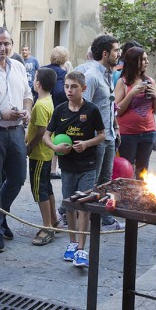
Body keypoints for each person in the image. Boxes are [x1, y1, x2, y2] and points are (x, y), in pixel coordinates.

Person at [43, 71, 105, 268]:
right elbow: (46, 135)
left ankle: (82, 249)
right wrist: (54, 148)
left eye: (74, 87)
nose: (69, 90)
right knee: (70, 205)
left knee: (83, 206)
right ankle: (72, 243)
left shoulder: (92, 110)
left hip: (87, 166)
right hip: (67, 167)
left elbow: (102, 135)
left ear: (83, 89)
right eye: (67, 86)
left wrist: (87, 143)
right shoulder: (60, 110)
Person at [0, 27, 33, 252]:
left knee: (17, 178)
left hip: (16, 131)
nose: (3, 48)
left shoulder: (19, 67)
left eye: (7, 43)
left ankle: (0, 215)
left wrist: (27, 111)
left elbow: (27, 96)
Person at [83, 35, 124, 231]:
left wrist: (115, 127)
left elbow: (109, 105)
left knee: (105, 180)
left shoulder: (109, 74)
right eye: (116, 50)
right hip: (96, 138)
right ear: (105, 53)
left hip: (109, 136)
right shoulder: (92, 76)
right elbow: (83, 108)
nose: (119, 54)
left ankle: (103, 217)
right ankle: (74, 214)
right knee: (92, 179)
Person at [114, 47, 156, 179]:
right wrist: (131, 93)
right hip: (128, 134)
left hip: (149, 132)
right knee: (126, 169)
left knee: (143, 170)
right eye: (143, 59)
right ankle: (126, 196)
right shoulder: (122, 83)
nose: (147, 62)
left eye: (147, 59)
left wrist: (155, 97)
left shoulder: (150, 81)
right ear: (134, 61)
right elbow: (117, 111)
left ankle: (140, 197)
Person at [25, 68, 58, 246]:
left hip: (38, 154)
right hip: (46, 153)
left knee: (39, 191)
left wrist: (29, 145)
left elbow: (41, 131)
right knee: (47, 187)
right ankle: (53, 219)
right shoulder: (48, 100)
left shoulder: (39, 105)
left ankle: (47, 226)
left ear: (38, 83)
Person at [42, 46, 70, 181]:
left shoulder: (43, 69)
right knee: (56, 137)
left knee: (45, 134)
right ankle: (52, 169)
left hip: (42, 105)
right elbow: (59, 91)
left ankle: (47, 166)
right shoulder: (62, 73)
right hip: (56, 108)